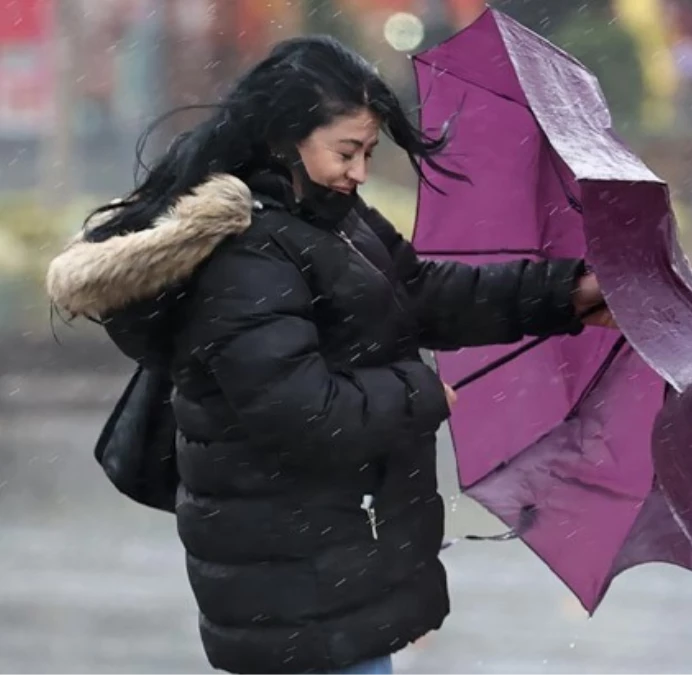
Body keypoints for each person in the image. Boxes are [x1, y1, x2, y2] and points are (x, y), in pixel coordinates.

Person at [45, 36, 613, 675]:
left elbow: (420, 294)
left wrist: (565, 294)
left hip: (328, 565)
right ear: (286, 137)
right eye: (347, 151)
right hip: (289, 583)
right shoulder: (248, 253)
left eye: (368, 152)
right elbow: (301, 411)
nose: (360, 171)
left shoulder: (329, 217)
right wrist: (420, 395)